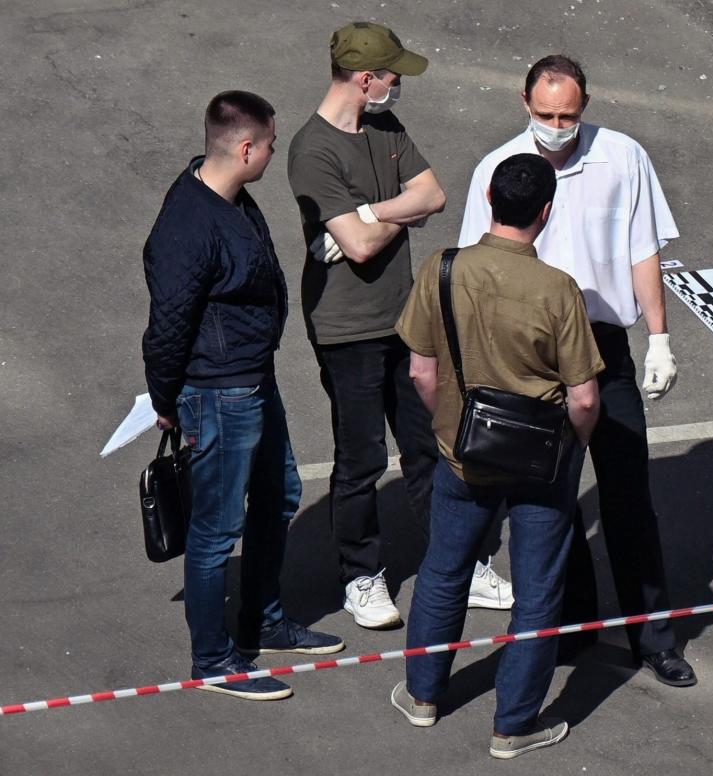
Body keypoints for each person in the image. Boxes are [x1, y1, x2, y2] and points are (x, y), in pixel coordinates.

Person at [458, 55, 696, 687]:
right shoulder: (500, 171)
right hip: (534, 358)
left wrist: (660, 339)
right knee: (550, 498)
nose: (557, 127)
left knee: (627, 499)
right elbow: (481, 271)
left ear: (585, 107)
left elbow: (643, 249)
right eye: (545, 115)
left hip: (603, 345)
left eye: (568, 115)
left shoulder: (623, 157)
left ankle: (654, 637)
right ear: (524, 104)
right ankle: (575, 622)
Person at [288, 22, 511, 630]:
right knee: (360, 458)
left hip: (406, 319)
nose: (396, 84)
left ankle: (458, 563)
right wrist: (385, 221)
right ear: (365, 79)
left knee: (428, 446)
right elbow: (358, 249)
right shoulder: (313, 151)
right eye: (391, 76)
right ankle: (361, 573)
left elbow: (434, 196)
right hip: (347, 330)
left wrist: (366, 212)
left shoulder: (384, 128)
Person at [391, 153, 603, 759]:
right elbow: (584, 397)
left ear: (488, 198)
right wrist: (573, 448)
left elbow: (422, 372)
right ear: (546, 211)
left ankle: (423, 696)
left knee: (444, 570)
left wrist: (448, 429)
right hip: (542, 461)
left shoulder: (444, 268)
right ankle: (512, 726)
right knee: (538, 592)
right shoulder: (557, 290)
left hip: (463, 453)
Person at [142, 91, 343, 702]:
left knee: (279, 495)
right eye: (272, 142)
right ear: (247, 147)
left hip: (253, 378)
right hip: (219, 391)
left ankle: (262, 619)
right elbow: (169, 322)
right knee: (214, 529)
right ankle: (213, 659)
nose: (276, 149)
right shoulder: (189, 224)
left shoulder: (231, 195)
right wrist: (165, 397)